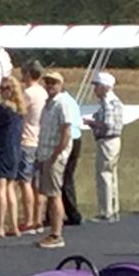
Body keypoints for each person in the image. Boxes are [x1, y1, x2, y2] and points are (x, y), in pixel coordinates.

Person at [35, 70, 77, 249]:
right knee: (49, 193)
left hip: (54, 155)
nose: (50, 86)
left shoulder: (63, 103)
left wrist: (56, 154)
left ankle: (56, 234)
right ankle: (53, 230)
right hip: (44, 153)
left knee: (54, 194)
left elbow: (66, 131)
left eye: (54, 83)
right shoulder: (48, 104)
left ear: (61, 85)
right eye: (48, 82)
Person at [0, 77, 26, 237]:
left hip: (2, 150)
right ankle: (14, 226)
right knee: (10, 189)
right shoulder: (20, 110)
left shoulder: (3, 108)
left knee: (0, 189)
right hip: (15, 150)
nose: (2, 91)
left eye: (4, 88)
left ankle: (0, 226)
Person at [84, 71, 124, 222]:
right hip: (114, 141)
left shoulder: (108, 102)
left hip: (107, 141)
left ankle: (105, 212)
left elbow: (107, 124)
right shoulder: (115, 102)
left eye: (97, 86)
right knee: (111, 175)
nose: (95, 90)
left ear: (105, 87)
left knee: (104, 175)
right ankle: (113, 209)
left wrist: (91, 123)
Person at [18, 62, 48, 234]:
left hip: (27, 140)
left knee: (25, 182)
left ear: (28, 74)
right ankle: (38, 219)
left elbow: (19, 111)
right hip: (39, 140)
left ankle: (29, 220)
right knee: (37, 184)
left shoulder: (28, 93)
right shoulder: (43, 92)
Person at [56, 78, 85, 227]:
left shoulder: (61, 102)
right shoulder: (70, 99)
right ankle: (63, 212)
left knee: (64, 177)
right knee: (65, 177)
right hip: (76, 137)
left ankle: (73, 214)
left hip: (69, 139)